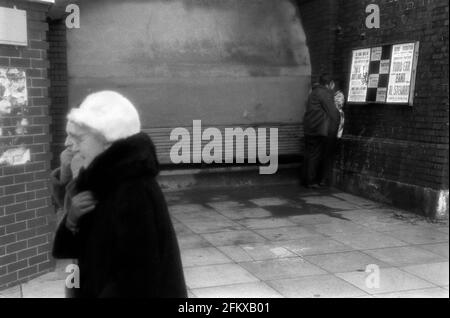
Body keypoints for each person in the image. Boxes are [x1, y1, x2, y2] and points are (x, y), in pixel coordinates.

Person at [51, 90, 187, 298]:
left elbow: (136, 278)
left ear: (108, 140)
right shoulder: (96, 179)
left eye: (79, 138)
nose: (72, 146)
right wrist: (71, 220)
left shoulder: (133, 190)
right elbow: (74, 254)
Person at [302, 74, 340, 188]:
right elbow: (333, 112)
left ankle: (307, 180)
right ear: (330, 83)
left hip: (310, 128)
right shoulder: (324, 93)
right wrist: (339, 123)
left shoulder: (314, 92)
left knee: (310, 154)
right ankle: (311, 181)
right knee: (316, 155)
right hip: (318, 129)